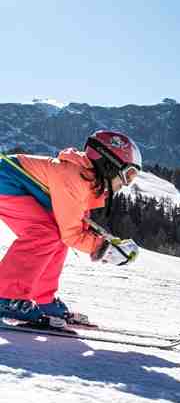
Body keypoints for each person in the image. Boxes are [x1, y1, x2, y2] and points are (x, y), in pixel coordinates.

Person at [0, 130, 142, 324]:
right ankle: (6, 298)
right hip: (5, 181)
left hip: (16, 185)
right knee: (44, 234)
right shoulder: (74, 177)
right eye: (128, 175)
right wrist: (105, 250)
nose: (126, 184)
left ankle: (44, 300)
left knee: (54, 235)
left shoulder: (86, 180)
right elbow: (72, 234)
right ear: (109, 165)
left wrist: (106, 242)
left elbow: (74, 224)